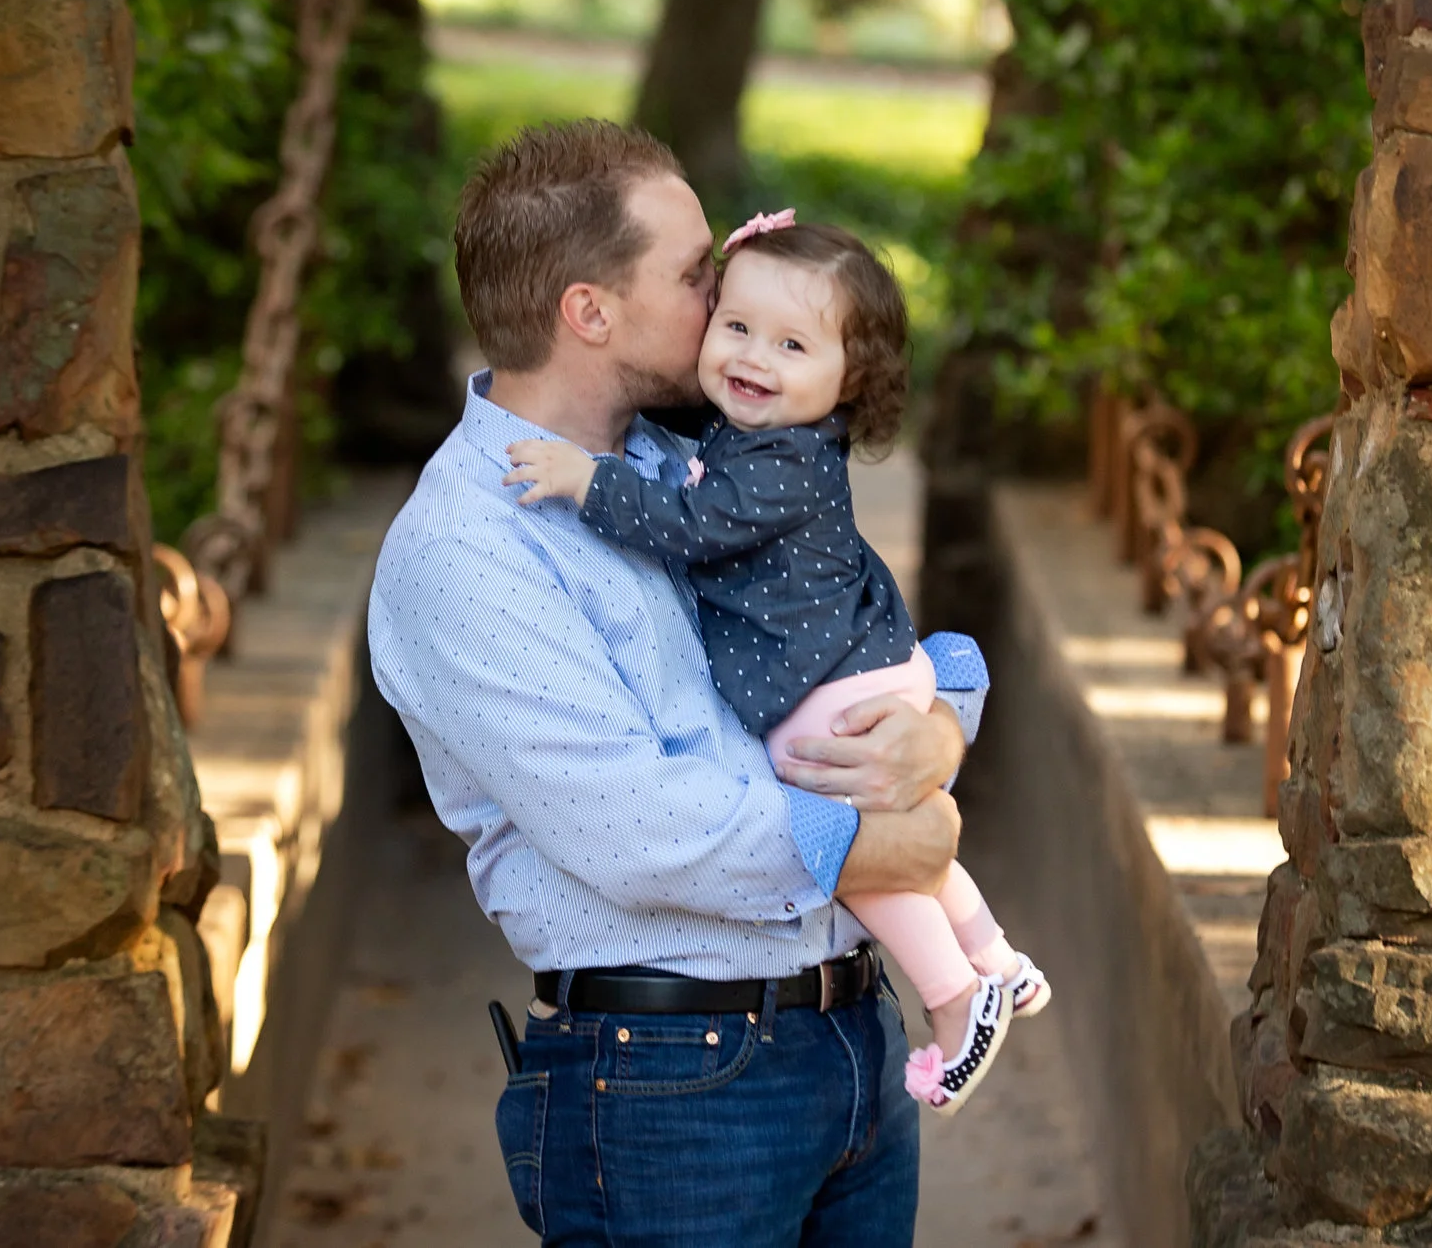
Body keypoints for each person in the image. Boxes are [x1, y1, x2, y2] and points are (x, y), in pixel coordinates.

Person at [367, 120, 979, 1247]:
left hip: (851, 1043)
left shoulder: (710, 456)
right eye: (698, 274)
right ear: (589, 312)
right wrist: (877, 843)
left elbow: (855, 622)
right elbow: (636, 825)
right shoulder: (464, 551)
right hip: (671, 1092)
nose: (729, 291)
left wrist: (940, 721)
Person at [504, 209, 1049, 1115]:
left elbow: (687, 525)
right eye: (736, 324)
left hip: (838, 694)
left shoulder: (782, 464)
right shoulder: (745, 433)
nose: (754, 356)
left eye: (792, 343)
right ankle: (997, 955)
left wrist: (582, 478)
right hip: (852, 672)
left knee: (861, 860)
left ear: (848, 383)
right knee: (901, 831)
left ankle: (958, 997)